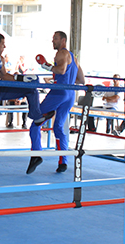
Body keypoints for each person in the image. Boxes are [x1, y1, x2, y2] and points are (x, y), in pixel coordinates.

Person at [0, 33, 52, 179]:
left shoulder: (0, 59)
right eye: (3, 44)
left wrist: (22, 79)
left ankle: (36, 116)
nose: (5, 47)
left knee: (31, 88)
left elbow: (4, 76)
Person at [28, 31, 85, 175]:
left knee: (36, 121)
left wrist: (47, 66)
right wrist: (65, 81)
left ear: (63, 40)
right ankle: (63, 162)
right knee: (59, 127)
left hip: (59, 92)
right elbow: (81, 80)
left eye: (55, 38)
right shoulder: (74, 57)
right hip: (70, 93)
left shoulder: (61, 54)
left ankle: (36, 155)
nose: (52, 41)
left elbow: (61, 69)